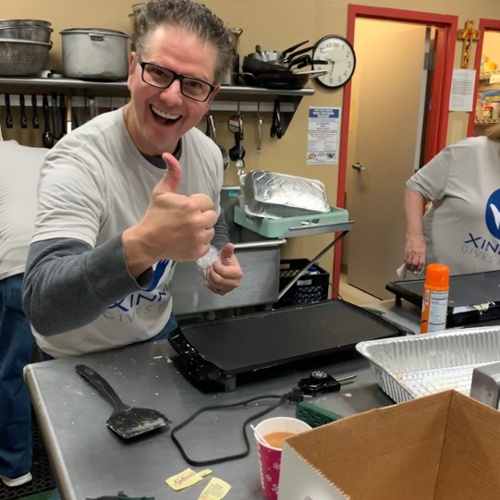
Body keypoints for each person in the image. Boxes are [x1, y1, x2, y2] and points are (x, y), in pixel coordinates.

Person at [22, 0, 243, 359]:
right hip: (75, 353)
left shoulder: (207, 154)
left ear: (211, 96)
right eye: (158, 72)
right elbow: (44, 307)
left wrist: (215, 260)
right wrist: (144, 244)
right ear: (132, 68)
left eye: (194, 84)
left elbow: (212, 223)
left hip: (157, 336)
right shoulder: (79, 160)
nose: (171, 96)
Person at [0, 141, 47, 487]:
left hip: (17, 266)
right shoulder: (42, 154)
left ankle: (16, 468)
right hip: (63, 260)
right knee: (65, 370)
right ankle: (74, 458)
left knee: (11, 370)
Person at [404, 124, 500, 276]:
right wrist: (415, 238)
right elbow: (416, 187)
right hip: (435, 278)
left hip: (490, 288)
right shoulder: (471, 151)